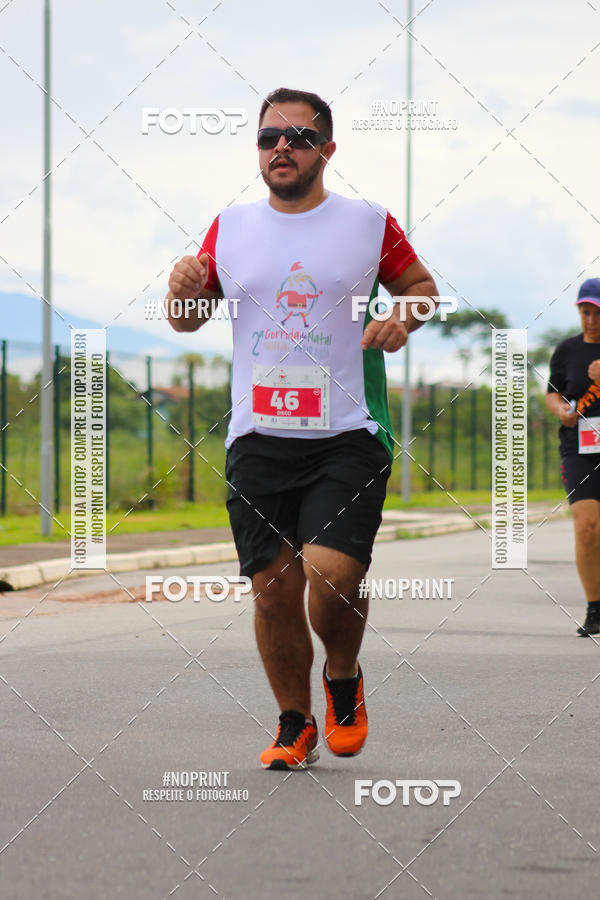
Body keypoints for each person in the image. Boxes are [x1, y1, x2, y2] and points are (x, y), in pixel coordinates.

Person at [166, 87, 437, 768]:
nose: (280, 147)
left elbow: (421, 286)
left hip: (346, 431)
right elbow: (186, 319)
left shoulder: (369, 223)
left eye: (297, 136)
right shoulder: (229, 226)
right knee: (273, 586)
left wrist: (403, 320)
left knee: (332, 571)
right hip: (257, 437)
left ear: (328, 150)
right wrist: (179, 291)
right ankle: (295, 724)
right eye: (268, 138)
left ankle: (342, 674)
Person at [545, 278, 600, 636]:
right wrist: (560, 409)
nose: (591, 320)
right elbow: (552, 393)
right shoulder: (567, 350)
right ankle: (595, 609)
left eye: (596, 313)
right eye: (585, 312)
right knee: (587, 527)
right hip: (579, 448)